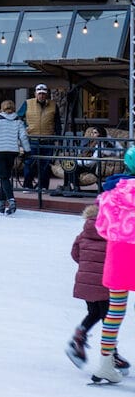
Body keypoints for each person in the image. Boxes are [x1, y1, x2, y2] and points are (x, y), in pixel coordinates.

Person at [88, 150, 135, 385]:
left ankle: (105, 363)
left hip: (118, 254)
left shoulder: (110, 194)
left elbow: (102, 228)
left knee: (115, 311)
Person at [69, 202, 129, 373]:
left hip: (86, 282)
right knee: (109, 319)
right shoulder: (112, 234)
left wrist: (87, 267)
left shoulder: (83, 234)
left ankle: (80, 334)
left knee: (94, 312)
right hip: (106, 284)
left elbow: (75, 254)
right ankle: (111, 356)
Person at [0, 99, 30, 215]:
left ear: (2, 108)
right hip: (12, 151)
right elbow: (23, 137)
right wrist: (27, 150)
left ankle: (11, 200)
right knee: (5, 176)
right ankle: (1, 202)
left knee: (3, 177)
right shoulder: (18, 121)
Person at [21, 83, 59, 191]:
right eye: (39, 93)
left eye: (43, 93)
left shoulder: (53, 104)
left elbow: (57, 122)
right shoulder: (27, 103)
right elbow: (19, 117)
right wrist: (25, 127)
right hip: (32, 139)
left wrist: (58, 137)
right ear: (35, 94)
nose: (41, 96)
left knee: (46, 165)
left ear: (47, 94)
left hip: (48, 139)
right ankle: (27, 186)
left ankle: (43, 186)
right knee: (29, 164)